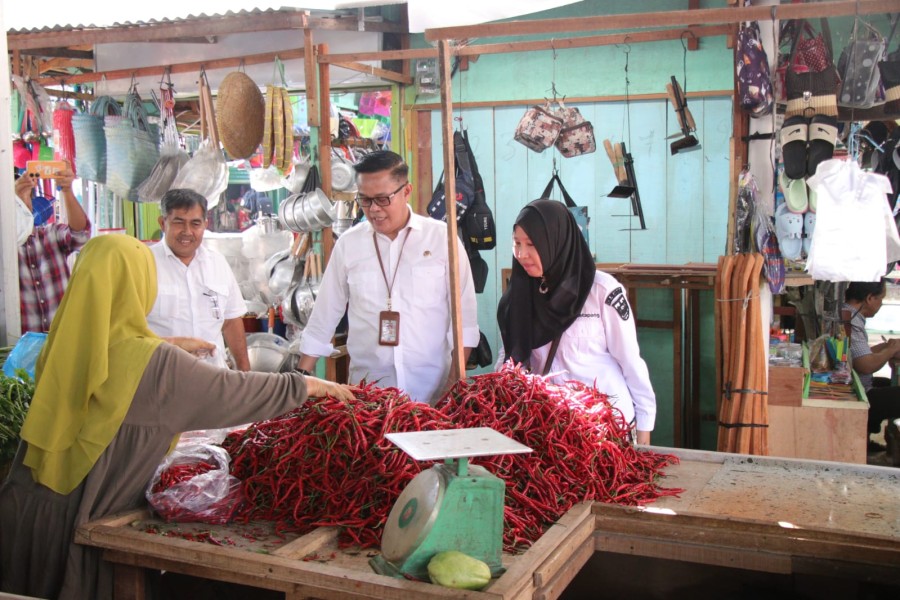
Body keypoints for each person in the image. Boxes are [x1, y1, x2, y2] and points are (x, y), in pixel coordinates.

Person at [0, 234, 355, 600]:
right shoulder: (155, 365)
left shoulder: (62, 343)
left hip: (28, 511)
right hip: (85, 518)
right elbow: (230, 391)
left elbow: (110, 359)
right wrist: (302, 385)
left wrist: (167, 345)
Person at [297, 151, 480, 404]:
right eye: (365, 200)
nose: (374, 210)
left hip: (432, 394)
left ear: (407, 191)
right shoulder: (349, 244)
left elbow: (465, 323)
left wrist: (452, 385)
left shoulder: (441, 239)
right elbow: (324, 316)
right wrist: (299, 377)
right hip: (368, 396)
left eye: (383, 199)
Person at [497, 199, 656, 444]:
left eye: (531, 244)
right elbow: (510, 354)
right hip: (550, 430)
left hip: (606, 428)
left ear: (557, 242)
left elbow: (630, 361)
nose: (521, 254)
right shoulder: (518, 297)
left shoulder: (602, 292)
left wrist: (644, 426)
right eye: (516, 243)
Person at [147, 188, 250, 371]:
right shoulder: (144, 264)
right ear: (163, 223)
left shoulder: (217, 263)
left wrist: (244, 370)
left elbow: (231, 321)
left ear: (205, 224)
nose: (187, 232)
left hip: (214, 377)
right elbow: (129, 331)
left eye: (195, 224)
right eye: (179, 222)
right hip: (161, 379)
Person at [15, 160, 91, 333]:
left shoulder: (50, 234)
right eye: (15, 203)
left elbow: (80, 235)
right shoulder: (6, 249)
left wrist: (67, 190)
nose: (20, 208)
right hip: (21, 347)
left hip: (63, 339)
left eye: (24, 200)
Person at [843, 280, 900, 451]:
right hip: (859, 393)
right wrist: (890, 351)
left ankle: (868, 442)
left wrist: (885, 348)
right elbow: (865, 365)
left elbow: (860, 354)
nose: (881, 303)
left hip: (859, 385)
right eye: (880, 298)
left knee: (885, 382)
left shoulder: (851, 315)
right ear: (869, 298)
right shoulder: (852, 320)